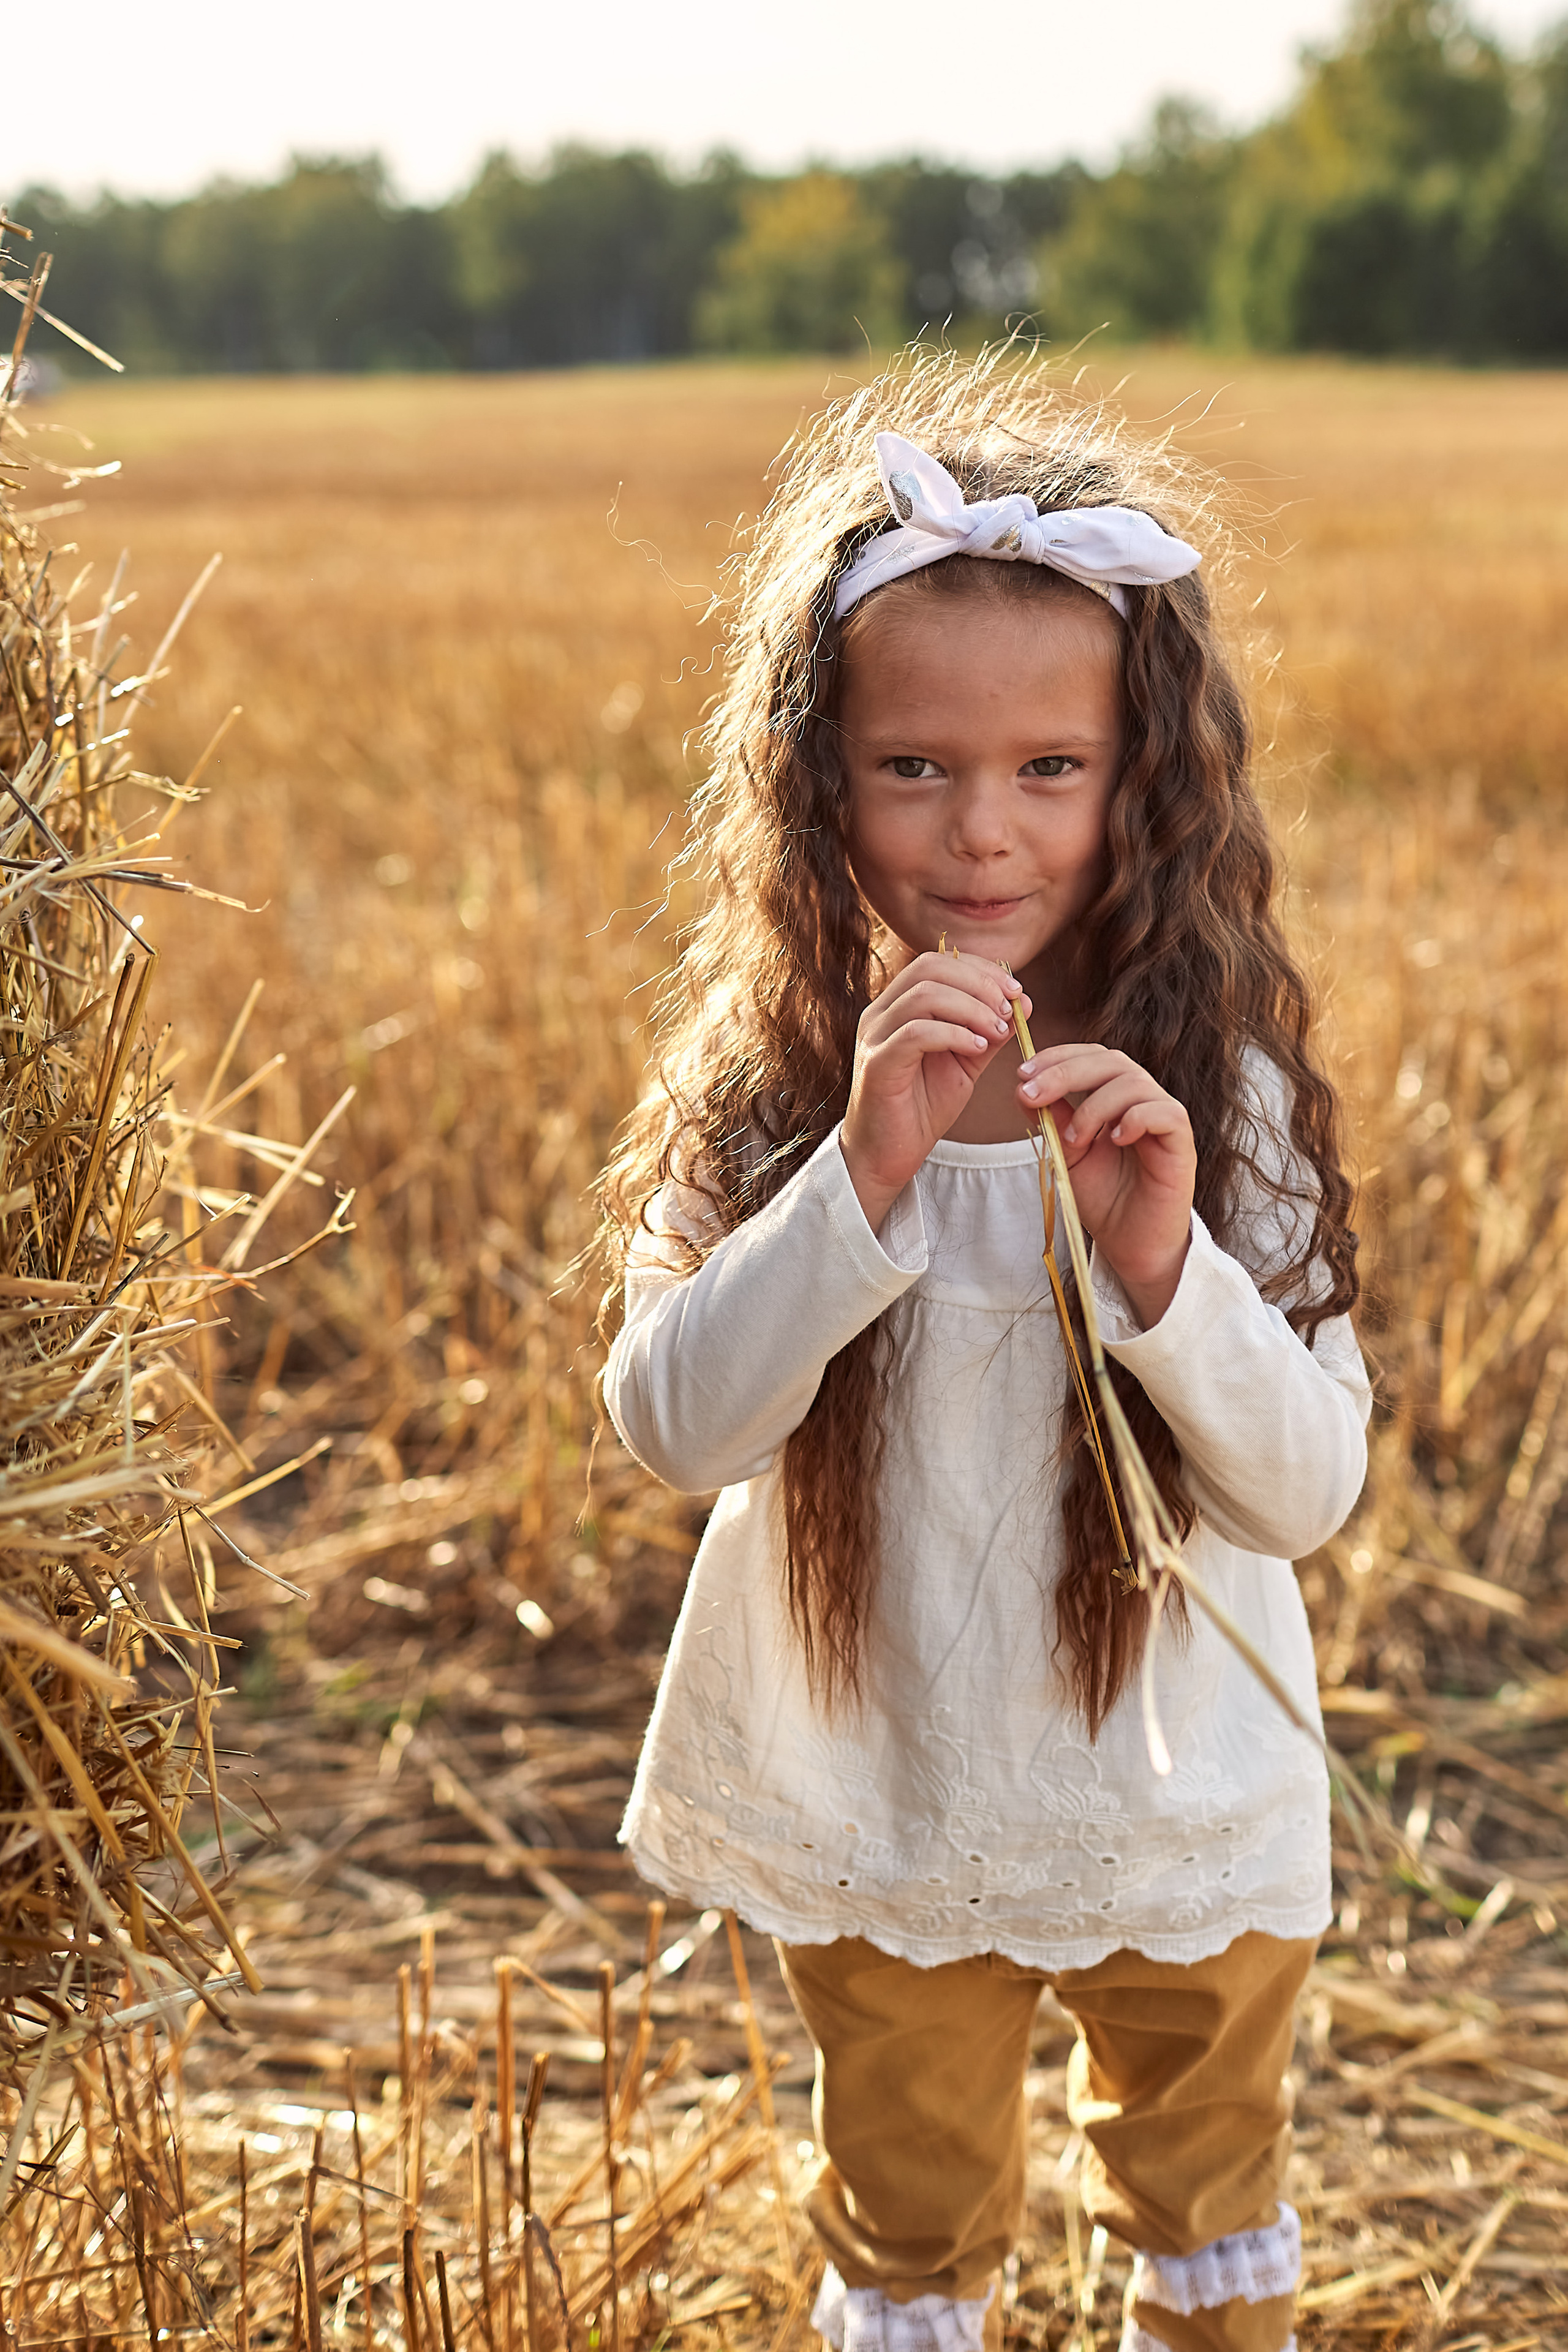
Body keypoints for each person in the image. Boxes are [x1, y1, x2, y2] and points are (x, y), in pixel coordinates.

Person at [598, 350, 1370, 2352]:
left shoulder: (1226, 1101)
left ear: (1148, 783)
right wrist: (857, 1176)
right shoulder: (777, 1095)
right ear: (816, 779)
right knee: (914, 2218)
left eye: (1053, 768)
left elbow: (1304, 1490)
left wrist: (1158, 1264)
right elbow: (678, 1428)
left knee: (1208, 2206)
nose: (983, 834)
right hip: (892, 1797)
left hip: (1181, 1792)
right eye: (914, 767)